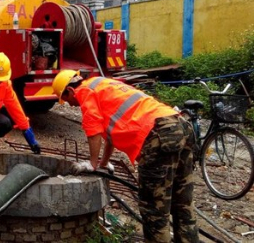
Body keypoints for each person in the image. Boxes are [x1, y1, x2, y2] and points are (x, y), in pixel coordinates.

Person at [51, 70, 198, 243]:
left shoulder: (85, 92)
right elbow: (110, 137)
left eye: (66, 99)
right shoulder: (100, 83)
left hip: (157, 135)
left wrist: (92, 164)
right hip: (180, 126)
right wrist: (103, 163)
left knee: (155, 211)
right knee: (183, 204)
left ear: (70, 90)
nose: (70, 105)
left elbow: (93, 132)